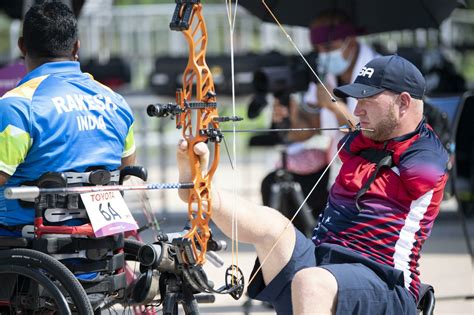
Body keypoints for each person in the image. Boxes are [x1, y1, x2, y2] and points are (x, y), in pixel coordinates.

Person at [177, 55, 448, 314]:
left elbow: (422, 176)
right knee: (272, 225)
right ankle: (200, 188)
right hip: (323, 260)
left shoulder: (426, 149)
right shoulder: (368, 140)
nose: (356, 110)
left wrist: (369, 141)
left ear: (403, 103)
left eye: (368, 99)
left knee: (311, 282)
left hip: (385, 282)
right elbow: (346, 145)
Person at [0, 2, 136, 236]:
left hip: (24, 250)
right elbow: (128, 171)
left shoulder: (17, 106)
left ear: (22, 46)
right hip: (102, 258)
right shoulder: (116, 102)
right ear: (76, 47)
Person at [262, 9, 380, 225]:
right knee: (273, 185)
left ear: (350, 41)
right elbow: (308, 130)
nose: (323, 54)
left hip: (373, 170)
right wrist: (291, 117)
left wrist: (335, 107)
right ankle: (290, 252)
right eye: (318, 49)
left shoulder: (378, 72)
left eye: (328, 48)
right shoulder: (325, 74)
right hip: (338, 166)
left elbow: (372, 136)